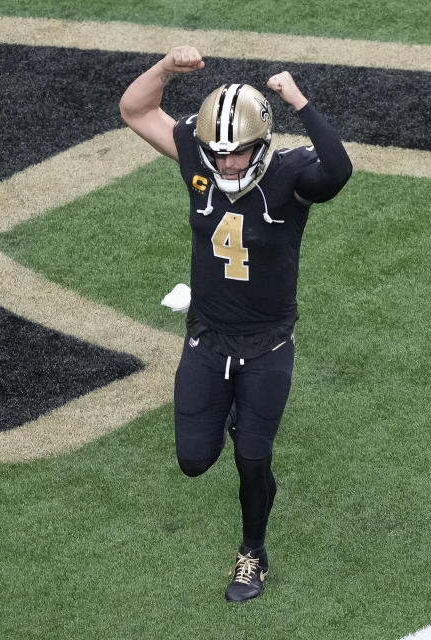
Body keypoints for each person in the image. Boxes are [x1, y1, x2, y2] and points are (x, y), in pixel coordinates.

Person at [120, 46, 352, 602]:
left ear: (262, 143)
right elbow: (135, 111)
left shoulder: (291, 175)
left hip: (268, 344)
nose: (224, 164)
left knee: (253, 457)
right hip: (206, 337)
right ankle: (235, 426)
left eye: (236, 153)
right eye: (216, 154)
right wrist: (165, 71)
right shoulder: (200, 161)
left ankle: (253, 552)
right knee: (194, 461)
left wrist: (299, 100)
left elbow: (338, 169)